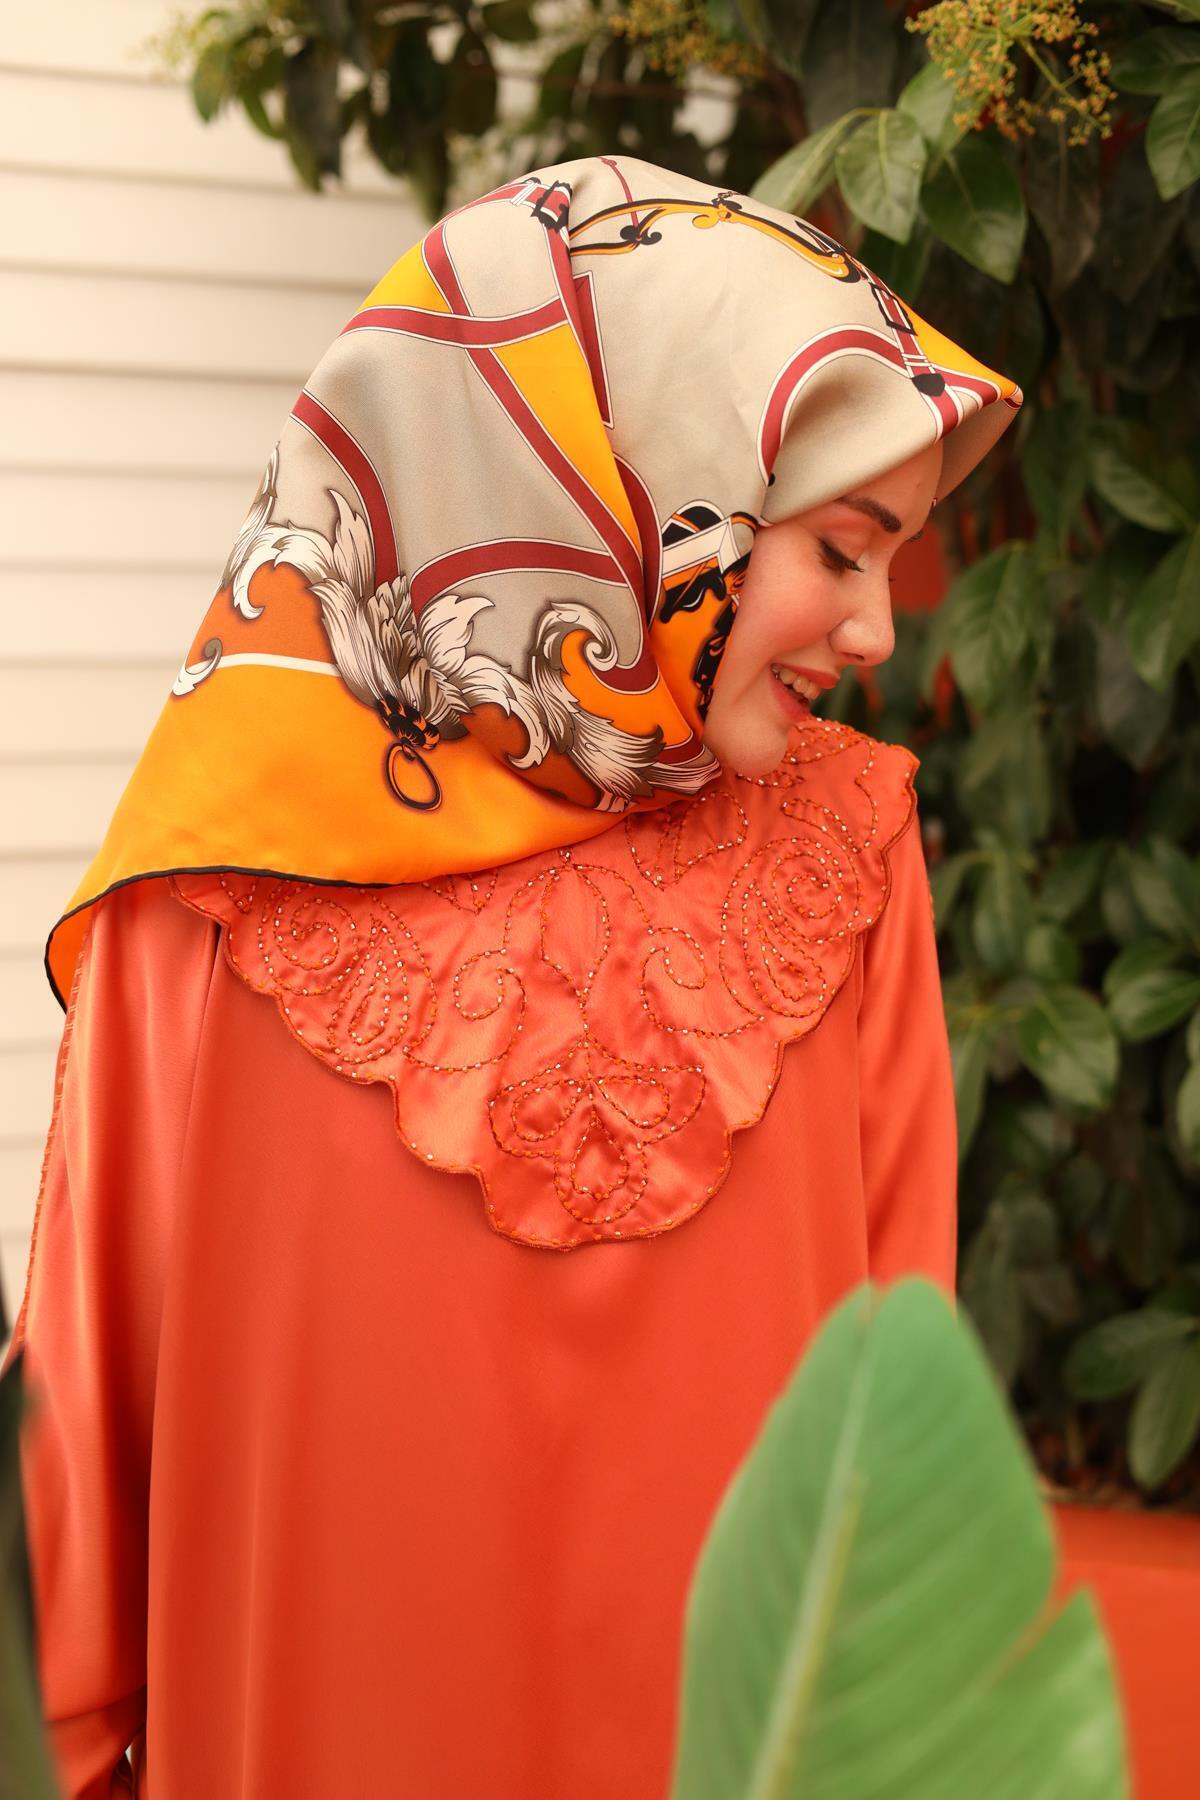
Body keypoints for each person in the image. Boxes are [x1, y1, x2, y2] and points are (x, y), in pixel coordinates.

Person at [1, 153, 1021, 1798]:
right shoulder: (213, 872)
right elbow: (82, 1436)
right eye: (842, 550)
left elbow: (902, 1411)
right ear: (648, 495)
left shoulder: (852, 854)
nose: (879, 631)